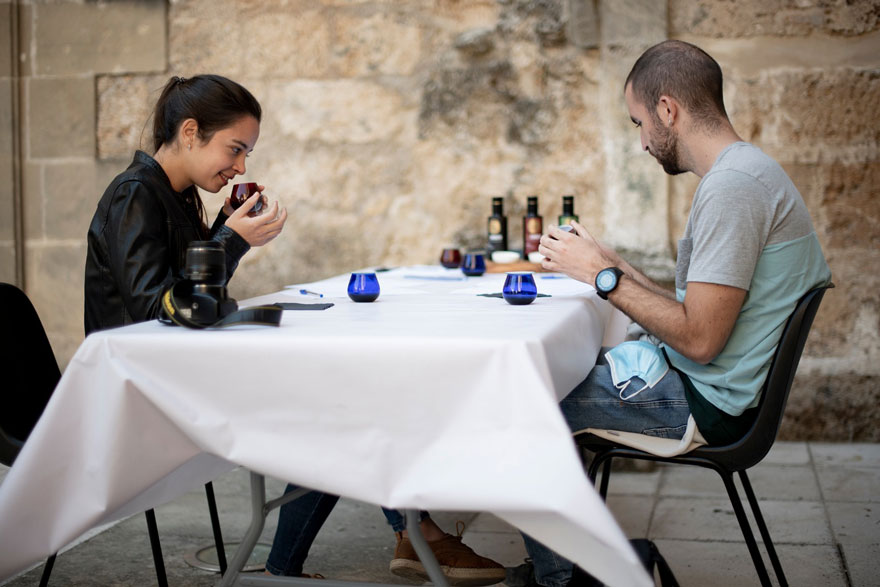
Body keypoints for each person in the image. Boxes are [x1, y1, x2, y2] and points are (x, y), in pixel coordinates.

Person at [527, 40, 831, 587]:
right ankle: (564, 566)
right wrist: (610, 263)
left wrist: (603, 279)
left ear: (668, 110)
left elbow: (699, 340)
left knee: (522, 404)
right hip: (701, 383)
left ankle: (559, 580)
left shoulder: (735, 188)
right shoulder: (742, 173)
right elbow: (694, 315)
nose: (642, 141)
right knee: (537, 381)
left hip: (705, 400)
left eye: (639, 122)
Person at [85, 74, 287, 334]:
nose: (241, 167)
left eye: (246, 154)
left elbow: (192, 294)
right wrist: (232, 240)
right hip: (136, 367)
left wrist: (226, 225)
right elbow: (157, 312)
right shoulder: (134, 192)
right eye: (235, 149)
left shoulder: (177, 196)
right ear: (190, 132)